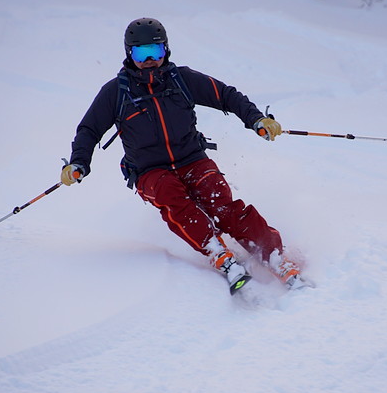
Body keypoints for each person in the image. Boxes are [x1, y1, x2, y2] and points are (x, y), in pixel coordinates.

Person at [61, 17, 307, 293]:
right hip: (149, 170)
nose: (150, 60)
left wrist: (257, 120)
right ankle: (218, 253)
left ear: (167, 50)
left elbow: (226, 95)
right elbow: (89, 129)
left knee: (219, 200)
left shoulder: (182, 80)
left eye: (157, 52)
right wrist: (78, 162)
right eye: (142, 53)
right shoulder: (115, 93)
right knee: (172, 195)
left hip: (192, 158)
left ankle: (274, 256)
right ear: (129, 54)